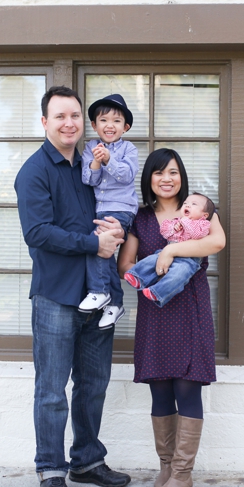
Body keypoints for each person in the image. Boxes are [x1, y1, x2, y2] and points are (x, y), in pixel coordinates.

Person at [14, 86, 132, 487]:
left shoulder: (90, 165)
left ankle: (87, 460)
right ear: (45, 122)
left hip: (97, 295)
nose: (69, 123)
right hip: (57, 296)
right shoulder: (34, 172)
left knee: (93, 384)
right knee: (51, 389)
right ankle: (51, 468)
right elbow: (38, 233)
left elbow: (115, 209)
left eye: (75, 116)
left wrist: (118, 232)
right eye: (60, 116)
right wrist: (94, 244)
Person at [117, 149, 226, 487]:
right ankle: (165, 467)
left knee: (187, 389)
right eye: (159, 172)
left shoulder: (199, 210)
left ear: (182, 177)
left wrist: (171, 251)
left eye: (174, 172)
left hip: (190, 310)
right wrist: (153, 265)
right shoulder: (141, 218)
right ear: (149, 178)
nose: (167, 179)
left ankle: (182, 474)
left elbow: (217, 242)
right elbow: (125, 265)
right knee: (160, 390)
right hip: (154, 312)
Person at [78, 94, 139, 329]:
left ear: (126, 127)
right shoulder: (90, 147)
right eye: (103, 120)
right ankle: (115, 303)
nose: (109, 125)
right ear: (94, 125)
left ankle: (99, 291)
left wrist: (109, 159)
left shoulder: (129, 148)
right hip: (100, 210)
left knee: (98, 243)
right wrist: (96, 161)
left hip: (122, 209)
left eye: (116, 121)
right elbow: (88, 180)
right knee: (105, 251)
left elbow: (126, 175)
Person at [124, 192, 215, 308]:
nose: (187, 205)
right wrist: (174, 228)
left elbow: (197, 235)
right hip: (166, 255)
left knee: (178, 273)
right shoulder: (177, 221)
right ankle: (138, 277)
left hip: (188, 260)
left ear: (204, 215)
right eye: (185, 203)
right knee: (151, 260)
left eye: (194, 204)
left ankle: (157, 292)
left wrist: (185, 222)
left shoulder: (203, 224)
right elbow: (165, 233)